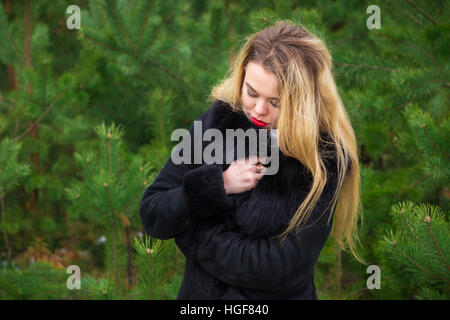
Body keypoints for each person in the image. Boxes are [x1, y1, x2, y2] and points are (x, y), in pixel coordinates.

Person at [139, 21, 363, 300]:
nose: (258, 109)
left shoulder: (324, 161)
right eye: (251, 92)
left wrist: (193, 235)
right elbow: (154, 212)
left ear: (303, 102)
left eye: (276, 102)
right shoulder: (218, 120)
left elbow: (276, 268)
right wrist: (217, 185)